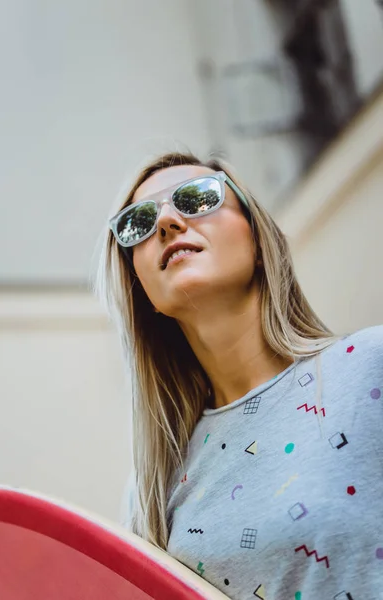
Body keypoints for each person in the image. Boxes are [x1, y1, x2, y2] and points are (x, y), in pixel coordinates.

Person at [97, 151, 383, 600]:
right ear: (142, 290)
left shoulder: (370, 367)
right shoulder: (151, 488)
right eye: (139, 222)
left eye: (196, 198)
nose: (167, 224)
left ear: (258, 241)